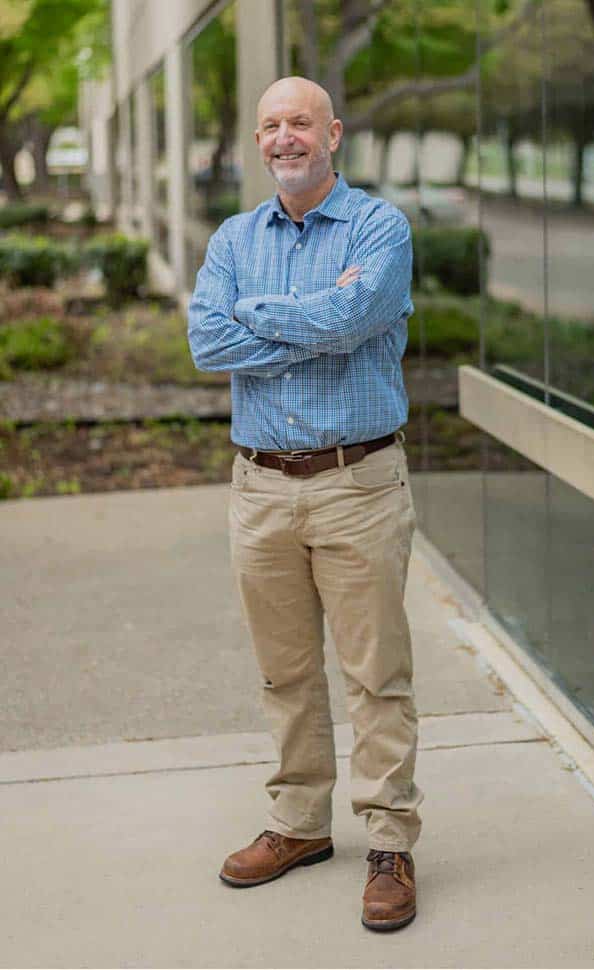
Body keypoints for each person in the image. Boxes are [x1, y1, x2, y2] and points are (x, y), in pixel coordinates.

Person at [187, 75, 423, 932]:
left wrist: (267, 320)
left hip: (357, 485)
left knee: (376, 677)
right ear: (259, 142)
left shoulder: (377, 227)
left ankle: (391, 842)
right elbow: (208, 338)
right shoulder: (233, 237)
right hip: (259, 489)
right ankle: (298, 826)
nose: (285, 137)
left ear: (333, 134)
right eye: (270, 125)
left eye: (300, 124)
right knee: (284, 672)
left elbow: (359, 313)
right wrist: (310, 319)